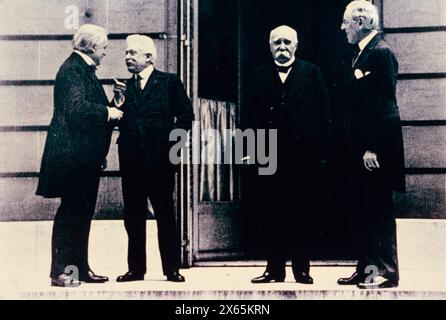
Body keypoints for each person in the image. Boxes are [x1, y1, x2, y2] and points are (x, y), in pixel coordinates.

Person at [36, 24, 123, 287]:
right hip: (73, 158)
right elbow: (76, 110)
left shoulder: (80, 69)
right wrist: (109, 113)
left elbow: (86, 110)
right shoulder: (74, 70)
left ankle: (78, 270)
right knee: (72, 213)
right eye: (104, 47)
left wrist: (114, 103)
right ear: (92, 47)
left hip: (82, 157)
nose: (106, 53)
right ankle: (61, 272)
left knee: (81, 213)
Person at [247, 25, 329, 284]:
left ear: (296, 46)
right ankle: (274, 270)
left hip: (303, 156)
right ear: (269, 46)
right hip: (268, 154)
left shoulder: (312, 73)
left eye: (287, 42)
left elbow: (325, 115)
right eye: (276, 43)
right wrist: (249, 151)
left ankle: (302, 269)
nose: (282, 47)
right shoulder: (258, 75)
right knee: (271, 212)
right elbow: (247, 115)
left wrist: (324, 152)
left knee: (302, 212)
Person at [112, 35, 194, 282]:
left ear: (148, 57)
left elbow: (186, 116)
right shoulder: (124, 87)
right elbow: (115, 118)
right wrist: (117, 101)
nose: (127, 57)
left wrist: (172, 149)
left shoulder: (169, 82)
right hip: (132, 163)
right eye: (126, 53)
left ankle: (172, 269)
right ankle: (136, 269)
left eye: (132, 53)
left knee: (165, 215)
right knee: (133, 217)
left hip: (160, 163)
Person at [337, 0, 405, 289]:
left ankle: (386, 271)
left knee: (377, 209)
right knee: (362, 207)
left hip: (373, 151)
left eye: (346, 22)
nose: (343, 28)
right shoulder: (364, 53)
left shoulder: (381, 52)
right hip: (360, 149)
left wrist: (373, 147)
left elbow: (385, 105)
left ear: (361, 22)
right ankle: (366, 268)